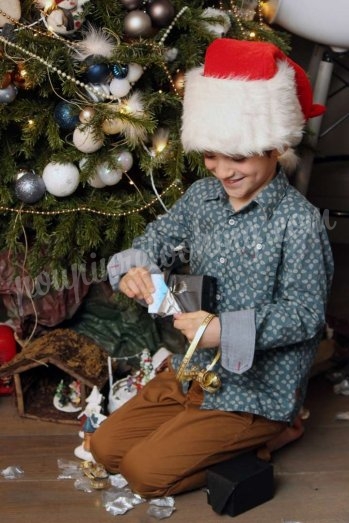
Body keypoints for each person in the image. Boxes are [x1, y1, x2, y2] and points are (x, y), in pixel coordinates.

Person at [90, 38, 334, 498]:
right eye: (210, 155)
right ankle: (192, 428)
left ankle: (272, 434)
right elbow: (155, 240)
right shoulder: (202, 198)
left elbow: (305, 314)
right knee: (105, 448)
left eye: (238, 157)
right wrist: (135, 268)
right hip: (191, 371)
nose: (223, 171)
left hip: (255, 392)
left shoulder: (298, 223)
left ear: (275, 146)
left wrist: (227, 329)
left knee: (144, 473)